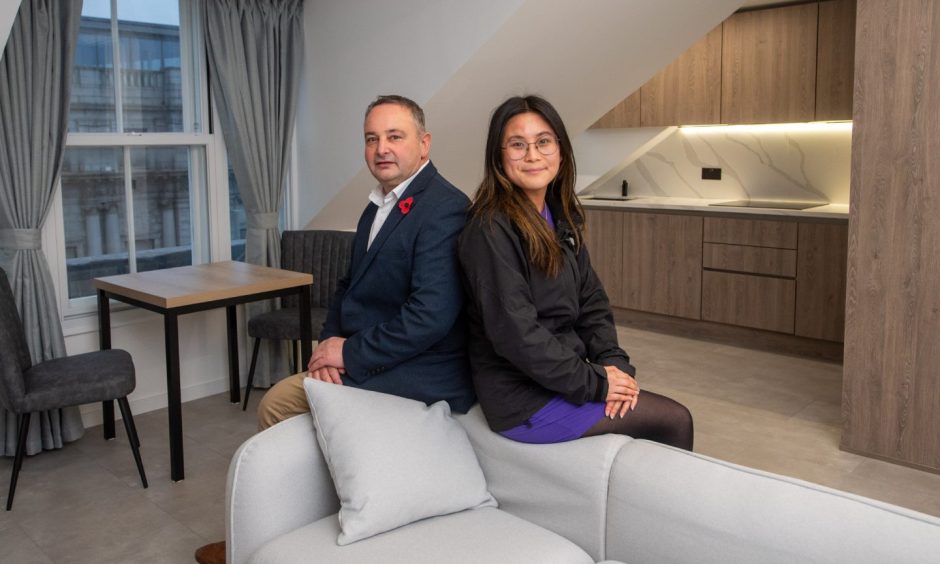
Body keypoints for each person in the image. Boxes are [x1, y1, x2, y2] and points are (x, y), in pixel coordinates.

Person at [195, 94, 474, 564]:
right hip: (369, 352)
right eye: (371, 139)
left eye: (394, 136)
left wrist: (348, 356)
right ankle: (280, 531)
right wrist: (328, 342)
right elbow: (348, 287)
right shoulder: (378, 204)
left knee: (277, 404)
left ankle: (277, 533)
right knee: (301, 401)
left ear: (424, 144)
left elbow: (429, 316)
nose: (381, 148)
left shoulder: (444, 208)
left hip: (423, 367)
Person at [457, 95, 693, 449]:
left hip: (562, 378)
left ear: (561, 151)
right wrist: (597, 383)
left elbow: (593, 305)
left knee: (650, 411)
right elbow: (516, 334)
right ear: (499, 157)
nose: (533, 155)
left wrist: (615, 367)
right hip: (522, 397)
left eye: (543, 142)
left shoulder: (560, 217)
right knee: (674, 421)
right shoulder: (489, 227)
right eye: (517, 145)